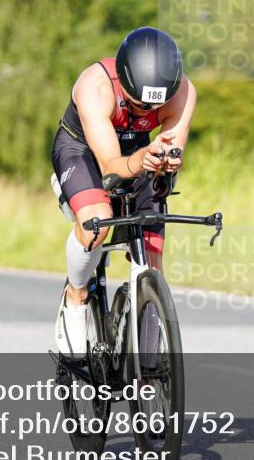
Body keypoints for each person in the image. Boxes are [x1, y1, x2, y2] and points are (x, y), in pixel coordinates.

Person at [51, 27, 196, 357]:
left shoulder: (184, 91)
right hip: (84, 151)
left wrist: (167, 163)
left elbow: (169, 155)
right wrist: (143, 159)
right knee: (95, 223)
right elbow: (112, 168)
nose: (145, 112)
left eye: (152, 108)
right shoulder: (94, 87)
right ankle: (75, 297)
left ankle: (148, 368)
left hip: (137, 152)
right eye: (137, 104)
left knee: (151, 254)